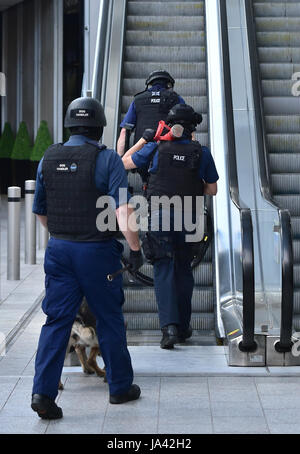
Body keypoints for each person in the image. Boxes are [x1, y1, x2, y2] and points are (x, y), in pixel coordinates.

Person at [31, 97, 143, 420]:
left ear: (69, 125)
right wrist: (134, 250)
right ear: (99, 128)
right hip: (97, 253)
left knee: (56, 321)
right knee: (108, 317)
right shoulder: (108, 160)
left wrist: (63, 236)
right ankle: (120, 386)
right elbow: (123, 213)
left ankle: (42, 393)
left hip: (60, 250)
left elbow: (40, 211)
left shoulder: (48, 157)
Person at [122, 104, 219, 349]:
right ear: (192, 130)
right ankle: (184, 326)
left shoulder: (155, 148)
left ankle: (169, 329)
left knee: (163, 269)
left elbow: (123, 163)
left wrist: (146, 139)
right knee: (184, 270)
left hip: (160, 216)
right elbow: (212, 189)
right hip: (190, 218)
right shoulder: (202, 152)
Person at [117, 69, 185, 157]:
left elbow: (124, 131)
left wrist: (121, 160)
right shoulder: (176, 99)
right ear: (169, 84)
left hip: (141, 155)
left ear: (150, 84)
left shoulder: (137, 100)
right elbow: (187, 127)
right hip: (169, 156)